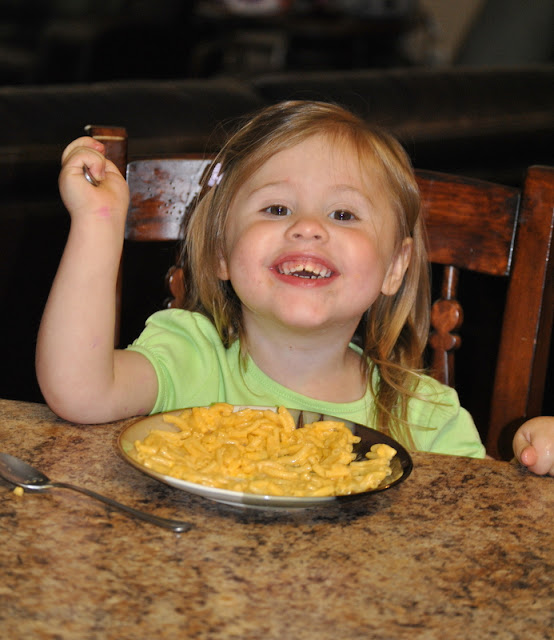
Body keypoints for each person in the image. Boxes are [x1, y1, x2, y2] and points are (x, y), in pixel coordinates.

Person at [36, 100, 553, 475]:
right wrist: (98, 223)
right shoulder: (190, 354)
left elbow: (478, 530)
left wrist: (534, 465)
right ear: (221, 252)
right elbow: (79, 392)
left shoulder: (427, 416)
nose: (308, 227)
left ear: (395, 267)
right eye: (277, 208)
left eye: (344, 214)